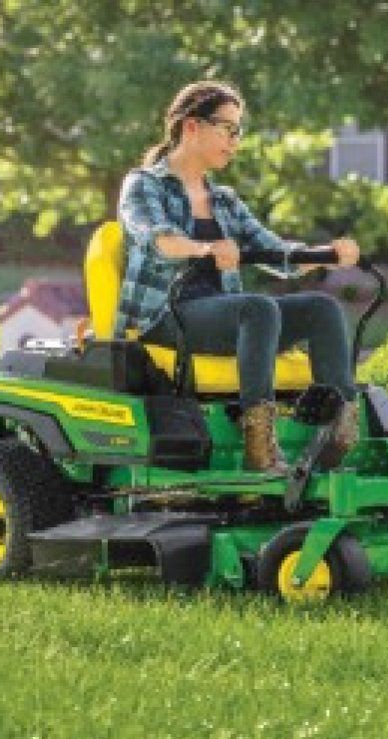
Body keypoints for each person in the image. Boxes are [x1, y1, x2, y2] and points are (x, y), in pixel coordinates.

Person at [116, 80, 360, 474]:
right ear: (191, 127)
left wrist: (324, 256)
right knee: (257, 308)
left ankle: (339, 431)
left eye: (238, 131)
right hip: (165, 316)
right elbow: (156, 239)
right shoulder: (144, 184)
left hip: (223, 317)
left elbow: (273, 250)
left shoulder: (224, 199)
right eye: (227, 128)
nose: (234, 140)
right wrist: (204, 249)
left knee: (321, 308)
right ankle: (259, 449)